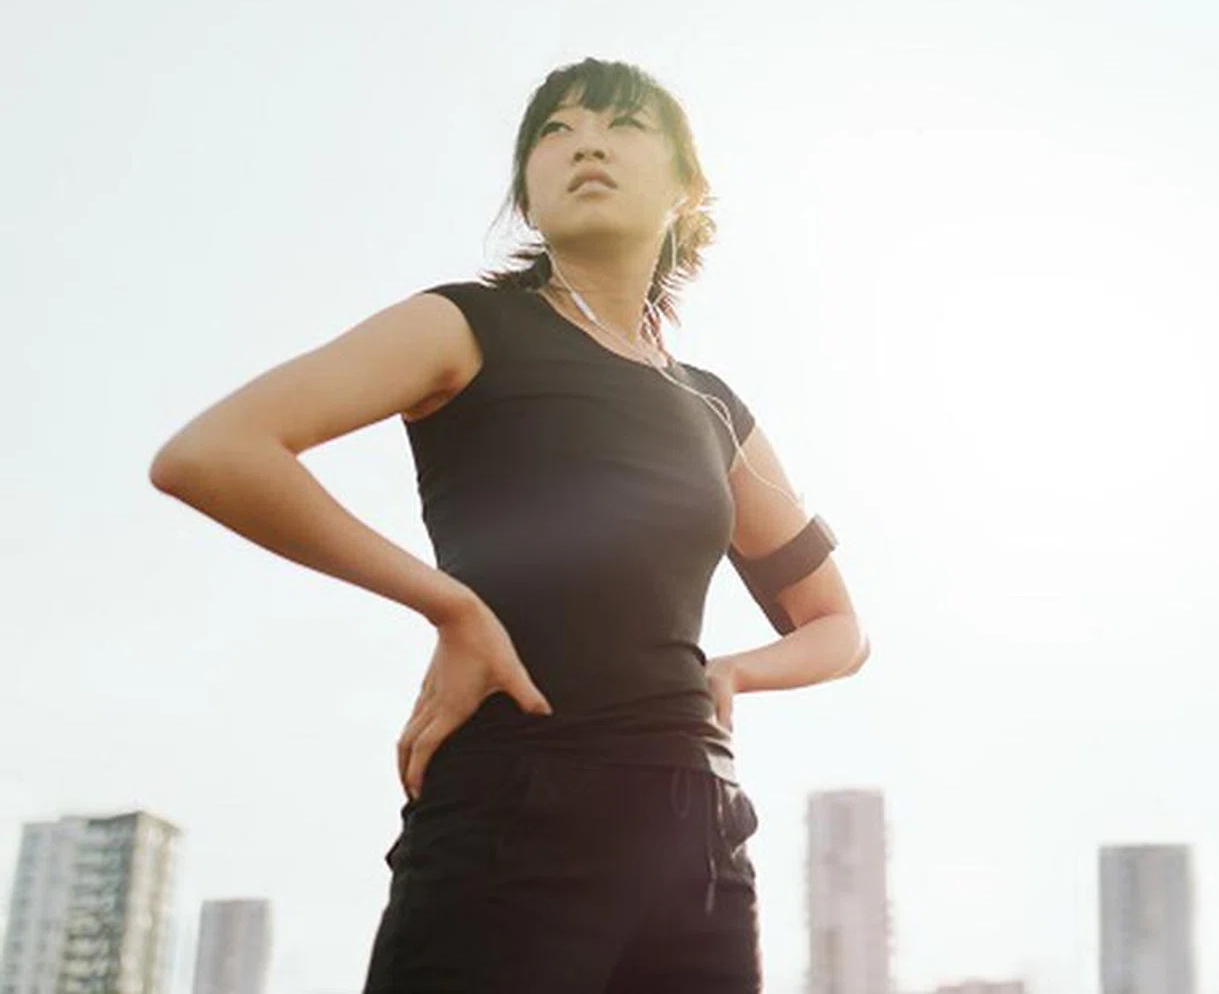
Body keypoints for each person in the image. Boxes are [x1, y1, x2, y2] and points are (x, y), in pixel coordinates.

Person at [149, 57, 867, 992]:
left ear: (689, 188)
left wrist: (729, 672)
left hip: (698, 842)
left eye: (623, 125)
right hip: (512, 808)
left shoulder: (710, 407)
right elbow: (213, 452)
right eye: (554, 132)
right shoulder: (466, 325)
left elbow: (838, 629)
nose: (587, 145)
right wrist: (449, 606)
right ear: (527, 193)